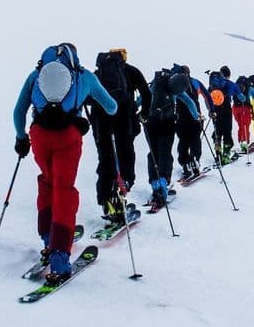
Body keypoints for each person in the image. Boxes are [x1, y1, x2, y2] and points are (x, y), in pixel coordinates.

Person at [13, 43, 117, 284]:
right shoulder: (84, 77)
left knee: (47, 183)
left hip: (39, 135)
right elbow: (112, 107)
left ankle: (48, 239)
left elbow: (19, 110)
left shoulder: (36, 75)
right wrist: (86, 101)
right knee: (64, 190)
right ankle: (60, 257)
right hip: (68, 138)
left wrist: (21, 137)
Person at [90, 48, 152, 222]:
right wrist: (144, 114)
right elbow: (147, 93)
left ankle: (106, 200)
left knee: (105, 158)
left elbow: (88, 97)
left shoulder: (98, 74)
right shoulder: (131, 71)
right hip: (124, 119)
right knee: (125, 154)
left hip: (100, 120)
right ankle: (122, 191)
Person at [143, 69, 199, 205]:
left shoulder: (156, 84)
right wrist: (196, 117)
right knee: (165, 152)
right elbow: (189, 102)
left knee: (154, 152)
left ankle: (155, 183)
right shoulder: (178, 89)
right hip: (167, 123)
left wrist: (140, 113)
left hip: (150, 123)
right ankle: (163, 182)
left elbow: (141, 99)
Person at [172, 64, 213, 179]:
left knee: (183, 140)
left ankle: (185, 164)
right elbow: (207, 97)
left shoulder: (174, 83)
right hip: (195, 116)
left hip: (180, 117)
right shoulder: (196, 82)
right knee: (195, 139)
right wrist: (212, 110)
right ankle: (195, 159)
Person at [208, 66, 246, 164]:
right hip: (226, 109)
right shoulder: (231, 84)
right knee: (227, 132)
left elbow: (208, 98)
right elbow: (242, 98)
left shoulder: (212, 85)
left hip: (215, 110)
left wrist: (210, 110)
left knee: (217, 131)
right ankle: (225, 155)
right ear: (228, 75)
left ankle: (218, 153)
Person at [233, 74, 254, 153]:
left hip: (235, 108)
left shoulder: (235, 87)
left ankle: (240, 142)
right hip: (245, 108)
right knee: (245, 125)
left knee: (240, 126)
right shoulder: (250, 88)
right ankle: (244, 144)